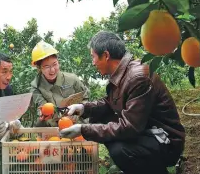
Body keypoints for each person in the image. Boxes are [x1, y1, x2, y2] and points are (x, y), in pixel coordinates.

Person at [59, 31, 185, 174]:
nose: (93, 62)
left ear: (106, 55)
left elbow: (129, 128)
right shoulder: (122, 73)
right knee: (98, 117)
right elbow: (109, 103)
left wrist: (83, 130)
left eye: (93, 57)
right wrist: (83, 107)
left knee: (120, 150)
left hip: (166, 141)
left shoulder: (138, 78)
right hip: (147, 131)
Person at [29, 41, 90, 127]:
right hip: (52, 126)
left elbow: (86, 99)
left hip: (76, 125)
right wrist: (44, 114)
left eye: (55, 64)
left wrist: (76, 113)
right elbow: (42, 107)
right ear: (39, 68)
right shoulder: (36, 87)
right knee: (39, 125)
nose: (52, 70)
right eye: (47, 66)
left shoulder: (72, 79)